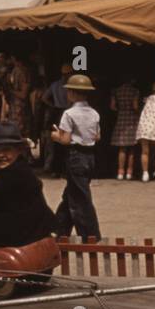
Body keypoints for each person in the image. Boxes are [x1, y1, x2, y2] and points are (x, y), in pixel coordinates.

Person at [50, 73, 101, 240]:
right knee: (71, 194)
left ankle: (90, 234)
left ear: (72, 93)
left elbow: (65, 140)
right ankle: (58, 229)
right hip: (90, 157)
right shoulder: (94, 113)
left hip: (75, 155)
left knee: (81, 198)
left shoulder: (69, 114)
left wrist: (56, 135)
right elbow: (97, 137)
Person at [41, 63, 73, 176]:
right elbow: (70, 101)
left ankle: (55, 169)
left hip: (56, 112)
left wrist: (53, 105)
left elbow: (44, 97)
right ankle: (64, 169)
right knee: (66, 141)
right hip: (66, 111)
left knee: (56, 142)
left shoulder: (55, 85)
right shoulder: (70, 86)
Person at [110, 78, 141, 180]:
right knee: (132, 148)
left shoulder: (116, 91)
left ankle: (120, 172)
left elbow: (112, 107)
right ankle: (129, 172)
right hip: (132, 119)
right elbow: (135, 106)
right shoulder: (135, 91)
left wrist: (120, 110)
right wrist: (138, 113)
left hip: (121, 118)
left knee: (122, 148)